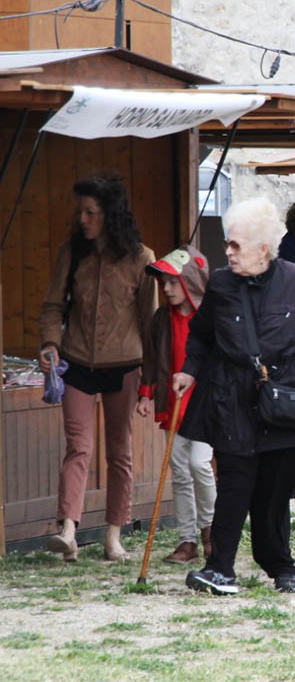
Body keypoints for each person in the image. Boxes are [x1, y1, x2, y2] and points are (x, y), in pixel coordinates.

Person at [172, 198, 295, 595]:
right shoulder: (220, 283)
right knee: (234, 486)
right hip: (232, 400)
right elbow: (202, 335)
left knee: (272, 495)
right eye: (228, 245)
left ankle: (281, 567)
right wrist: (188, 370)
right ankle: (220, 569)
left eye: (236, 246)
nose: (228, 252)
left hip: (287, 402)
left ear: (263, 248)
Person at [38, 176, 158, 562]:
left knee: (119, 452)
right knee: (78, 448)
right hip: (75, 363)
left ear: (111, 215)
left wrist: (149, 382)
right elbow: (53, 305)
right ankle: (68, 531)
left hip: (125, 365)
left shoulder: (142, 258)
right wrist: (50, 343)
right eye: (81, 211)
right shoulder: (70, 252)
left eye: (91, 212)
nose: (83, 218)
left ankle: (113, 535)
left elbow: (150, 321)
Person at [136, 245, 215, 564]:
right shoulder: (161, 319)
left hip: (205, 404)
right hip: (175, 403)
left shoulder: (208, 317)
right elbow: (152, 356)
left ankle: (211, 529)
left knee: (199, 464)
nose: (166, 289)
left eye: (173, 282)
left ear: (191, 282)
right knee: (180, 471)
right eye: (164, 283)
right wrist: (146, 392)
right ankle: (187, 540)